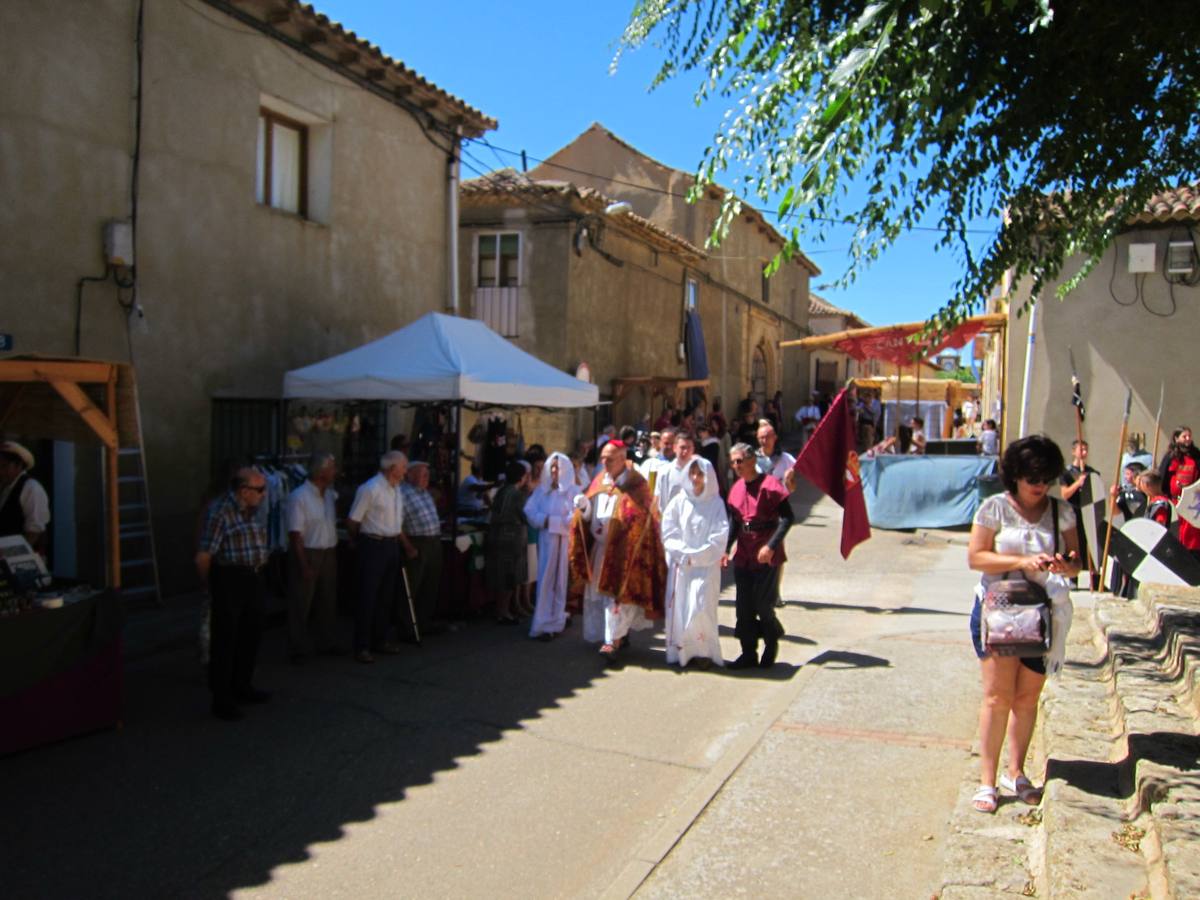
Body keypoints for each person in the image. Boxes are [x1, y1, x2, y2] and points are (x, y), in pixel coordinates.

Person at [966, 434, 1080, 813]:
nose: (1039, 485)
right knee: (997, 697)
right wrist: (1019, 562)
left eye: (1046, 478)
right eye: (1033, 477)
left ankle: (1016, 772)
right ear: (1015, 475)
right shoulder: (993, 509)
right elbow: (978, 558)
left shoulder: (1060, 511)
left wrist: (1066, 565)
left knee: (1027, 698)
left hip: (1042, 613)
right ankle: (986, 780)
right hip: (999, 610)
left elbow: (1078, 560)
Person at [568, 440, 667, 663]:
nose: (604, 462)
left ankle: (612, 640)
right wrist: (584, 508)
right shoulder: (599, 481)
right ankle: (614, 635)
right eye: (603, 458)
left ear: (623, 459)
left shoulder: (636, 484)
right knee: (599, 596)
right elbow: (589, 515)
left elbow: (643, 518)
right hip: (600, 551)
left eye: (609, 458)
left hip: (624, 553)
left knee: (617, 598)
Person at [196, 467, 273, 721]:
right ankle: (222, 698)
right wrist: (211, 585)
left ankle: (243, 685)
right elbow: (204, 556)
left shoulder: (255, 508)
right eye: (260, 489)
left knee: (251, 634)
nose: (264, 494)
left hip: (254, 575)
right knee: (225, 640)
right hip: (229, 577)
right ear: (244, 490)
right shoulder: (220, 512)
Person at [722, 442, 794, 668]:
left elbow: (787, 518)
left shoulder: (770, 485)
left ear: (752, 460)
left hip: (766, 552)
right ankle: (748, 652)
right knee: (743, 607)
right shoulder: (736, 488)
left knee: (763, 606)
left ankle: (771, 643)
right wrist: (726, 548)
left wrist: (771, 545)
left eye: (740, 461)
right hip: (744, 553)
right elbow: (735, 522)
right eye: (733, 462)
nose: (736, 466)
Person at [347, 451, 417, 663]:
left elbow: (396, 524)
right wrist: (358, 542)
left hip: (391, 545)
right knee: (368, 596)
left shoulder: (396, 489)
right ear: (392, 468)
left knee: (386, 596)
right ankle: (362, 646)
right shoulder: (370, 488)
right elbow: (353, 521)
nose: (405, 471)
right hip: (373, 544)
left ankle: (380, 639)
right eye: (403, 466)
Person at [661, 457, 729, 669]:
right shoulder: (679, 502)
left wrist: (697, 556)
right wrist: (683, 554)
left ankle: (703, 651)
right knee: (680, 607)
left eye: (700, 474)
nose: (695, 478)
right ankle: (682, 650)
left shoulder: (716, 503)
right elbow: (668, 529)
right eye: (692, 473)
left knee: (701, 606)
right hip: (682, 566)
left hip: (705, 567)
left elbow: (719, 536)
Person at [285, 452, 341, 663]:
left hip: (328, 550)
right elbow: (295, 534)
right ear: (321, 472)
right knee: (301, 601)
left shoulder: (328, 495)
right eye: (332, 468)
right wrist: (303, 564)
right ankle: (296, 647)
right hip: (309, 551)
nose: (335, 472)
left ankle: (326, 641)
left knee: (327, 599)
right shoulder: (299, 496)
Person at [524, 452, 582, 640]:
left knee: (560, 581)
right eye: (553, 467)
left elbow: (575, 516)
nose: (556, 471)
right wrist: (544, 521)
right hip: (546, 540)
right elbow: (529, 510)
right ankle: (542, 621)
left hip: (563, 540)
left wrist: (555, 523)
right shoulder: (542, 490)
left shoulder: (573, 491)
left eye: (559, 467)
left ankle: (556, 620)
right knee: (545, 580)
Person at [400, 459, 444, 642]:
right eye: (422, 474)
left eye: (427, 474)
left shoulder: (424, 492)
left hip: (433, 541)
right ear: (410, 474)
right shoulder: (402, 493)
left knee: (430, 585)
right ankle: (407, 628)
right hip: (417, 542)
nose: (427, 477)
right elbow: (397, 525)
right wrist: (408, 546)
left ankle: (424, 622)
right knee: (413, 586)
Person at [486, 460, 531, 624]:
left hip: (497, 535)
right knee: (509, 576)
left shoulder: (502, 491)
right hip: (511, 538)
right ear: (521, 477)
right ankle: (503, 612)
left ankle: (501, 610)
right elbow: (526, 515)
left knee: (501, 575)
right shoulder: (517, 494)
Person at [1158, 426, 1200, 558]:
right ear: (1176, 439)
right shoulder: (1170, 457)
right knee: (1176, 535)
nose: (1188, 439)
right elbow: (1162, 480)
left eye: (1189, 436)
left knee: (1192, 539)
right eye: (1184, 436)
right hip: (1174, 503)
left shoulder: (1196, 456)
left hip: (1191, 504)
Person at [0, 441, 50, 552]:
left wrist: (15, 554)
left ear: (19, 465)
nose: (1, 471)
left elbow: (35, 530)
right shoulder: (5, 488)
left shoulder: (31, 488)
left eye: (4, 466)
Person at [655, 430, 696, 511]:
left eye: (689, 448)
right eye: (682, 447)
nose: (686, 451)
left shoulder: (699, 472)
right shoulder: (665, 472)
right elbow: (660, 503)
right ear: (675, 448)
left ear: (693, 449)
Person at [755, 420, 797, 492]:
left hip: (781, 501)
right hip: (760, 501)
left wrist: (788, 481)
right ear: (757, 438)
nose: (764, 440)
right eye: (761, 437)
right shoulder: (751, 461)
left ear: (775, 437)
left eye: (768, 437)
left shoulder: (786, 458)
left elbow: (792, 489)